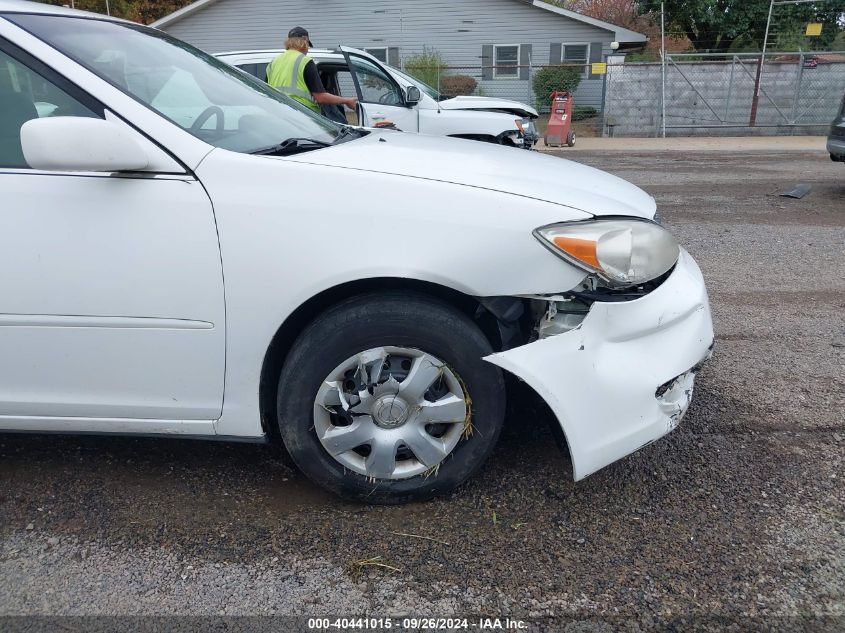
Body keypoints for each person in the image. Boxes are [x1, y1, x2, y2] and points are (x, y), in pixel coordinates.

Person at [266, 27, 357, 122]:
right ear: (304, 41)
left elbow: (266, 91)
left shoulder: (273, 62)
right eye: (308, 46)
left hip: (277, 116)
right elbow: (321, 97)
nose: (308, 50)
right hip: (301, 116)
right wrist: (346, 100)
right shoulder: (305, 61)